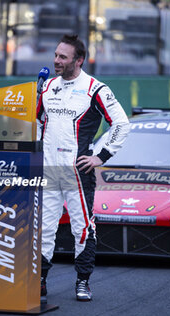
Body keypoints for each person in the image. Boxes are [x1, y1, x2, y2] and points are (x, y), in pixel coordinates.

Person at [37, 34, 130, 301]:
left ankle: (83, 281)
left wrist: (100, 156)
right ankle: (40, 280)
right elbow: (39, 123)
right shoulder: (46, 86)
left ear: (78, 61)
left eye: (62, 57)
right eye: (55, 55)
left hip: (78, 171)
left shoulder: (96, 89)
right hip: (48, 170)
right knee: (45, 226)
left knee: (82, 227)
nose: (56, 60)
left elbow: (122, 124)